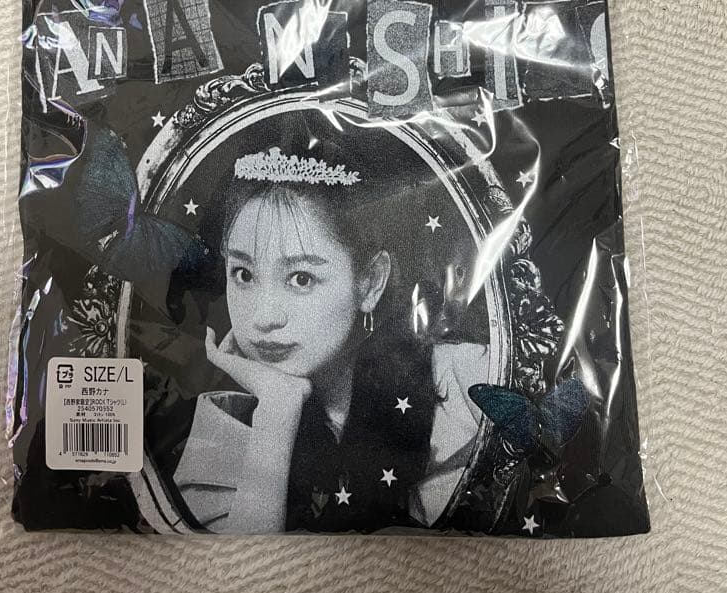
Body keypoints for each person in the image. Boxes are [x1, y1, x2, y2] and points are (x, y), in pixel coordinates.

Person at [172, 141, 490, 533]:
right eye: (244, 274)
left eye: (301, 278)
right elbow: (245, 564)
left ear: (370, 283)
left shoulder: (465, 381)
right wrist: (277, 408)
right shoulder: (232, 421)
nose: (263, 317)